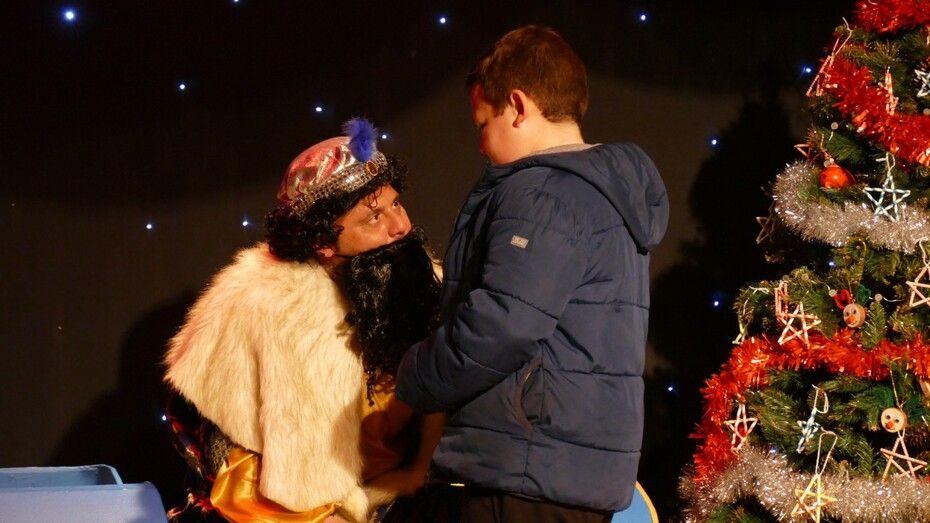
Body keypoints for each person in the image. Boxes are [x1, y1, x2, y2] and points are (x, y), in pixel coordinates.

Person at [393, 26, 669, 522]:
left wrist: (411, 376)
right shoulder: (604, 195)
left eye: (483, 124)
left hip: (524, 472)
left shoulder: (543, 194)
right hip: (569, 474)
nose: (481, 145)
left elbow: (501, 325)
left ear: (518, 106)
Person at [163, 119, 444, 523]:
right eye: (373, 218)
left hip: (406, 498)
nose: (400, 227)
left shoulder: (423, 286)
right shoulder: (263, 311)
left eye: (396, 204)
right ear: (323, 242)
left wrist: (416, 475)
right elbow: (230, 460)